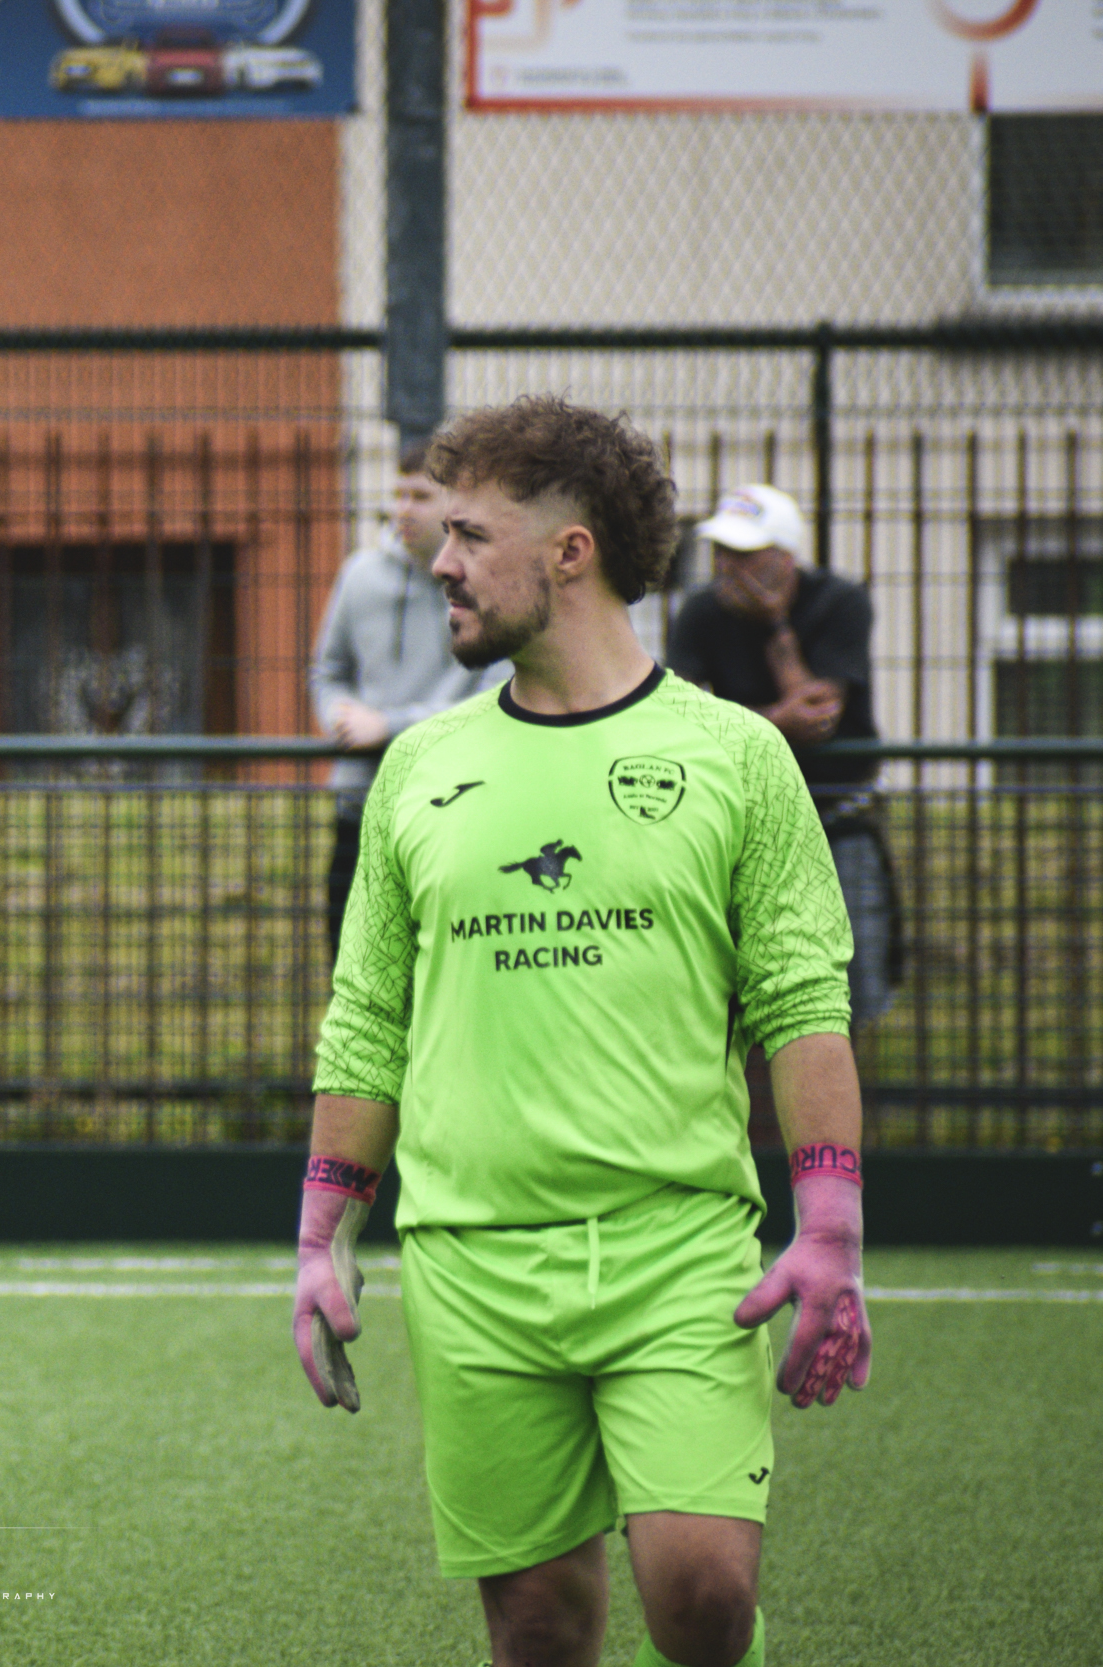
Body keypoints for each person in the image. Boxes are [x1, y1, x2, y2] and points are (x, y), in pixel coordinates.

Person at [294, 397, 871, 1667]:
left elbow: (800, 1004)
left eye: (467, 534)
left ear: (569, 552)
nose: (438, 562)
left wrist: (829, 1227)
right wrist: (320, 1234)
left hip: (678, 1251)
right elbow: (366, 1019)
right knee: (540, 1624)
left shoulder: (734, 757)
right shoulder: (416, 768)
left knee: (704, 1592)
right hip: (471, 1262)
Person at [666, 484, 898, 1029]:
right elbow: (679, 718)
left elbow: (818, 718)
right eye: (721, 551)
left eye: (745, 554)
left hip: (838, 818)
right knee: (736, 988)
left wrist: (775, 627)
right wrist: (776, 720)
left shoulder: (839, 601)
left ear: (785, 560)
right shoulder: (700, 612)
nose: (727, 566)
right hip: (738, 821)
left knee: (848, 985)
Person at [310, 444, 509, 955]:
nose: (403, 508)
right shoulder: (359, 575)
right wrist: (338, 715)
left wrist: (390, 724)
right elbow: (327, 672)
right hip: (360, 804)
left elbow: (495, 697)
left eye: (419, 496)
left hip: (448, 806)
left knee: (441, 969)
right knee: (350, 965)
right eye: (397, 494)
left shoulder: (487, 584)